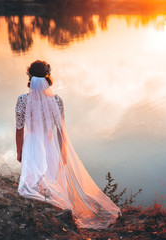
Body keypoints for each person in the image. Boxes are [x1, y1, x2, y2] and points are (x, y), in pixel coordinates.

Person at [15, 60, 121, 229]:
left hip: (32, 144)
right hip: (51, 144)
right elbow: (61, 130)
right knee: (53, 178)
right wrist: (63, 150)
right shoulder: (57, 100)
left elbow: (19, 130)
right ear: (48, 77)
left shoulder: (22, 100)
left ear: (30, 77)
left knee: (33, 180)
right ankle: (55, 207)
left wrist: (19, 151)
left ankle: (41, 207)